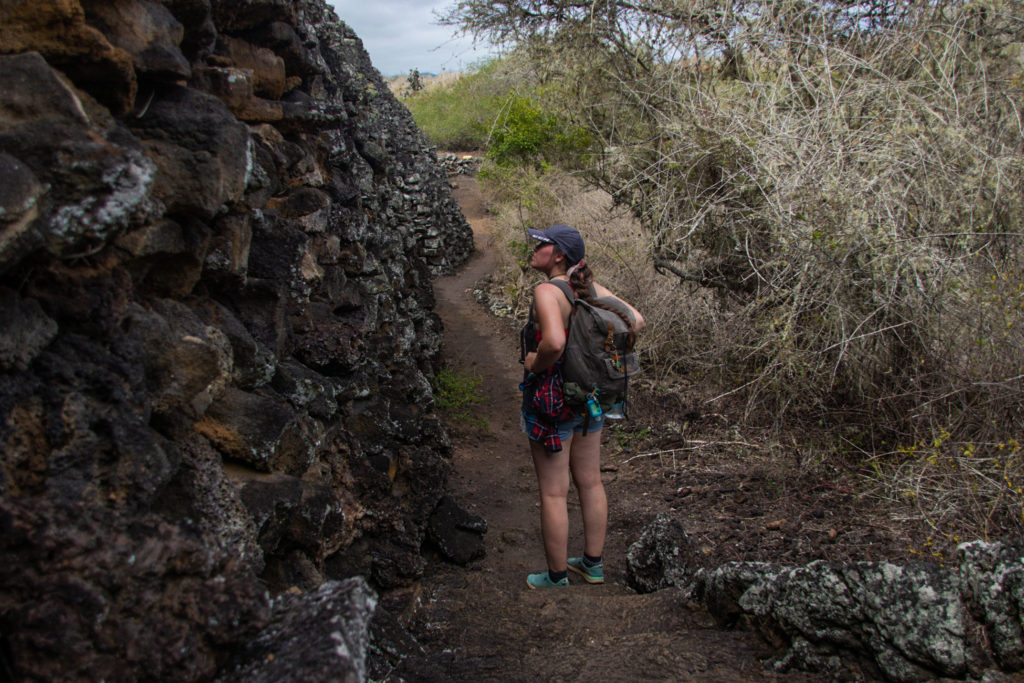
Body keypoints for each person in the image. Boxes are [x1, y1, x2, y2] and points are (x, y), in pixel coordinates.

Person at [520, 224, 645, 588]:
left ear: (558, 254)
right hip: (590, 398)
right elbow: (635, 319)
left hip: (553, 401)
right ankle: (592, 564)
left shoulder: (546, 290)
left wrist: (534, 363)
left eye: (541, 244)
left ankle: (556, 576)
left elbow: (555, 343)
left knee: (554, 491)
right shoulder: (589, 289)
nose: (535, 247)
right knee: (590, 482)